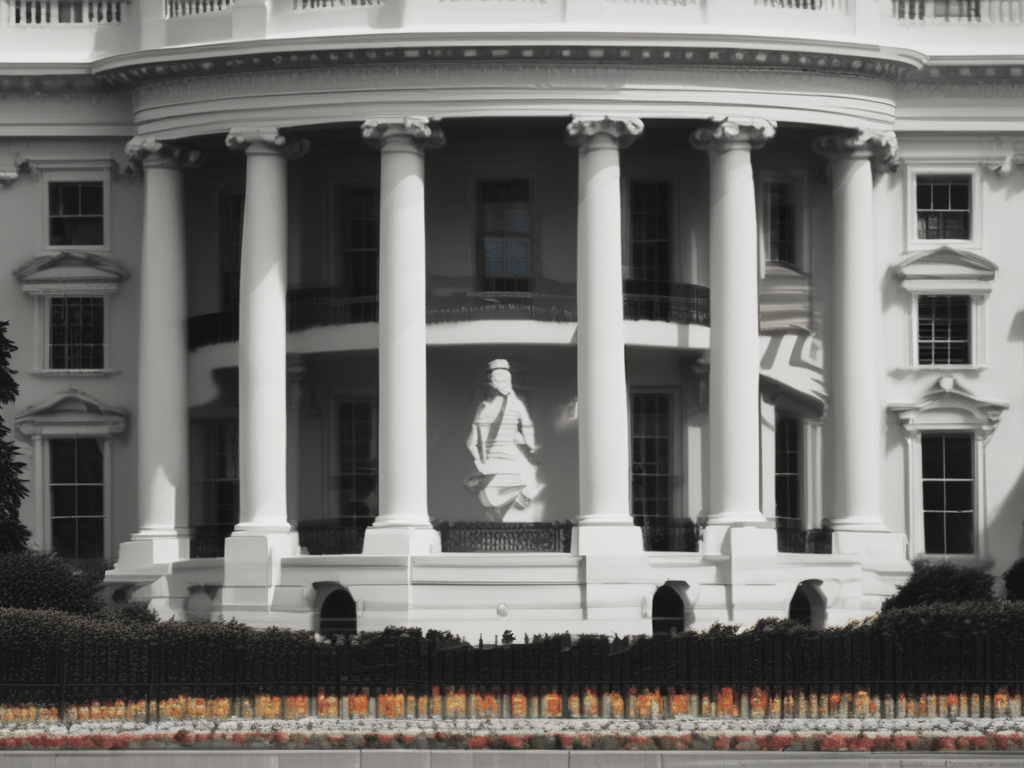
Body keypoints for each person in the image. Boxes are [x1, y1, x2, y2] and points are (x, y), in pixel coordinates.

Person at [464, 359, 539, 521]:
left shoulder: (485, 406)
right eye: (503, 381)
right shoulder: (516, 404)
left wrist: (481, 463)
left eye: (507, 381)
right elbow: (528, 430)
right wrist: (530, 450)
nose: (506, 385)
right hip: (511, 466)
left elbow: (471, 443)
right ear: (493, 383)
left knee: (496, 501)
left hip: (494, 467)